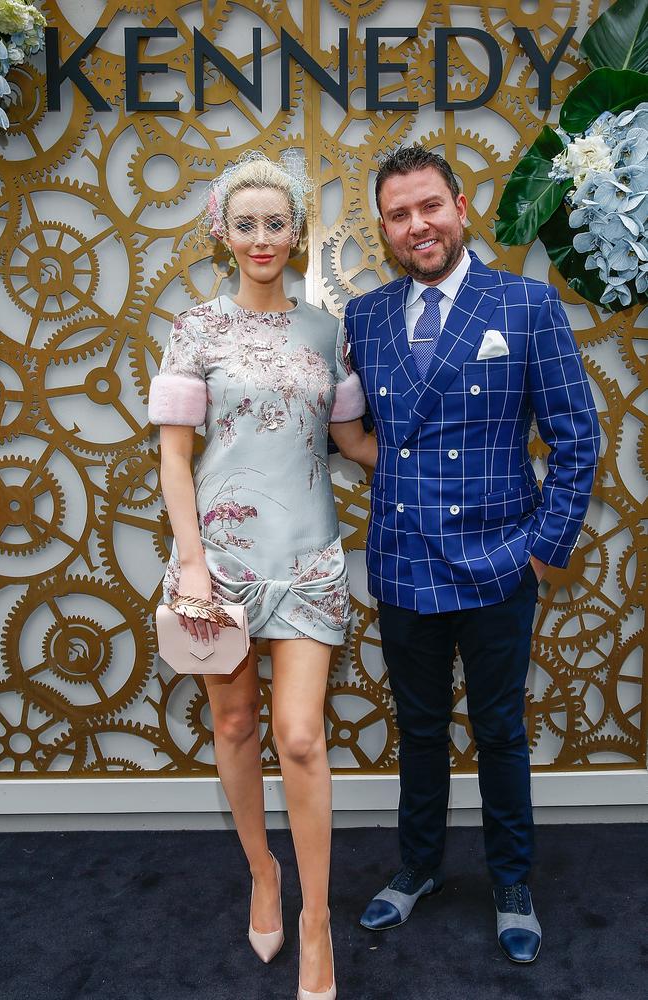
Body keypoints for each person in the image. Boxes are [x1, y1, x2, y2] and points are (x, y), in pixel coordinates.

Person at [345, 145, 600, 963]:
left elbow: (575, 439)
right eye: (398, 215)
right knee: (417, 732)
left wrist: (540, 551)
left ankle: (512, 881)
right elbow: (361, 433)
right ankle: (417, 868)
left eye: (429, 207)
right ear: (383, 229)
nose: (416, 226)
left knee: (500, 732)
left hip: (500, 563)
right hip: (403, 562)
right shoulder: (367, 316)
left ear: (460, 207)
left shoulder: (526, 306)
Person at [148, 151, 376, 999]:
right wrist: (194, 566)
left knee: (302, 737)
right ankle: (262, 872)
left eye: (275, 222)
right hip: (223, 563)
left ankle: (316, 921)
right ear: (222, 232)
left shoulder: (327, 331)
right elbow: (176, 461)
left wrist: (447, 472)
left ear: (297, 231)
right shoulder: (194, 329)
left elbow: (351, 443)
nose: (261, 238)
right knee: (237, 727)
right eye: (244, 224)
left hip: (310, 555)